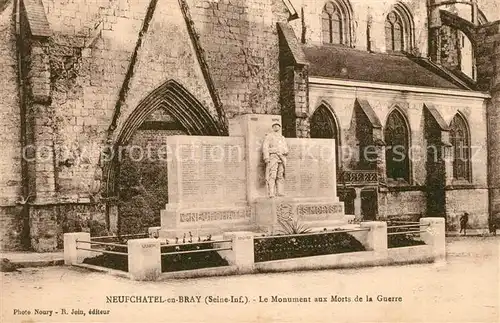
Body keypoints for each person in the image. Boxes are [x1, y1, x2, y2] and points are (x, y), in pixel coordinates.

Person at [262, 122, 288, 198]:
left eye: (278, 126)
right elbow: (265, 147)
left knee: (280, 175)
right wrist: (266, 157)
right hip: (273, 157)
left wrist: (283, 151)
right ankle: (271, 192)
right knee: (272, 175)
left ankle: (279, 192)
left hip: (281, 157)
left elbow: (286, 148)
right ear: (272, 127)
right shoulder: (269, 136)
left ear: (280, 127)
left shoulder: (282, 137)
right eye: (275, 126)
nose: (276, 127)